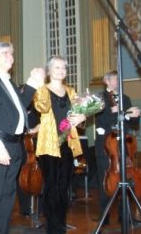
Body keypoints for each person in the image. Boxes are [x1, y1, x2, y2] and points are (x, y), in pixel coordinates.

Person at [0, 41, 45, 234]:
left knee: (7, 198)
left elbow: (18, 107)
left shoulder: (9, 82)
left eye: (12, 54)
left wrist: (32, 83)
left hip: (14, 146)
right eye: (6, 53)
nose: (11, 57)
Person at [34, 55, 86, 234]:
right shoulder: (42, 90)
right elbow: (42, 108)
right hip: (49, 145)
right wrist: (40, 85)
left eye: (64, 67)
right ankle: (52, 228)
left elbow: (79, 119)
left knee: (64, 188)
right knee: (51, 188)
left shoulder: (72, 92)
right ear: (49, 71)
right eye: (57, 67)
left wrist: (82, 117)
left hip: (68, 144)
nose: (61, 70)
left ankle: (60, 227)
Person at [94, 70, 140, 225]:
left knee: (126, 180)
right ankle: (104, 216)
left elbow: (132, 125)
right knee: (106, 181)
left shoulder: (125, 98)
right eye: (113, 79)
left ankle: (124, 215)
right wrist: (116, 113)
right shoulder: (100, 98)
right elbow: (101, 119)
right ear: (106, 81)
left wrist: (134, 116)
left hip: (122, 146)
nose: (116, 82)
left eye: (118, 79)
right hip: (105, 146)